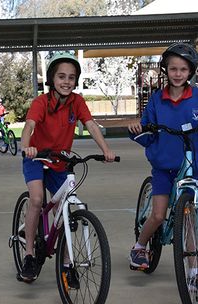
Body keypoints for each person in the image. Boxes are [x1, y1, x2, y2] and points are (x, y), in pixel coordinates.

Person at [20, 52, 116, 282]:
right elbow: (29, 126)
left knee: (62, 210)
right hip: (36, 158)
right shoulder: (41, 102)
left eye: (71, 77)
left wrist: (105, 150)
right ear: (52, 79)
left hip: (59, 161)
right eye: (61, 76)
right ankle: (30, 254)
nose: (66, 81)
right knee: (35, 199)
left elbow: (91, 125)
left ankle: (66, 262)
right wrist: (26, 146)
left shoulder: (77, 102)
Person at [128, 42, 198, 271]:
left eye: (183, 70)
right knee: (158, 215)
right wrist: (138, 129)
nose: (178, 74)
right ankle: (139, 246)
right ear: (165, 70)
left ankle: (194, 272)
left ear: (191, 72)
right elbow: (147, 129)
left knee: (189, 222)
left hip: (191, 168)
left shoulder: (196, 96)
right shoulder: (157, 99)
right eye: (173, 69)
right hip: (164, 168)